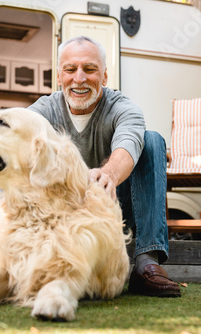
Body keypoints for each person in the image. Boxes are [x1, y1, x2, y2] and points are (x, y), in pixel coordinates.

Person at [28, 36, 181, 297]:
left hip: (117, 210)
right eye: (70, 69)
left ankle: (146, 262)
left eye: (89, 69)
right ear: (59, 76)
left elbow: (130, 141)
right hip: (66, 214)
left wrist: (107, 175)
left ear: (105, 76)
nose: (79, 78)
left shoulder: (123, 107)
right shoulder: (43, 110)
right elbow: (15, 138)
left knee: (152, 140)